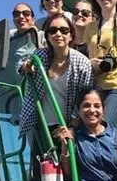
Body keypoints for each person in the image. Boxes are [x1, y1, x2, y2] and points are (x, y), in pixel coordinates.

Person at [19, 14, 93, 145]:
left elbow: (84, 98)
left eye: (64, 30)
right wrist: (26, 66)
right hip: (42, 126)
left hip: (69, 126)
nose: (58, 34)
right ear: (47, 36)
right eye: (53, 30)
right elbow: (21, 66)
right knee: (43, 164)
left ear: (71, 35)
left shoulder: (82, 63)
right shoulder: (40, 56)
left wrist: (71, 129)